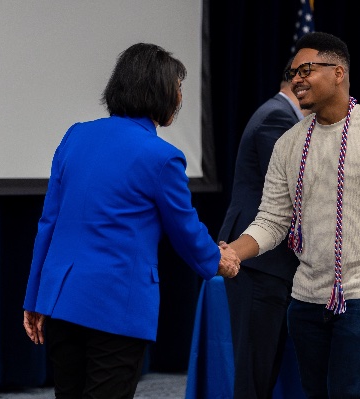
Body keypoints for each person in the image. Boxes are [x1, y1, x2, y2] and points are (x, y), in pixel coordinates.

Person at [22, 42, 240, 399]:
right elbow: (185, 229)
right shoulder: (162, 156)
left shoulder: (76, 135)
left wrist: (34, 299)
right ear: (159, 91)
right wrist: (219, 261)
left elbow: (48, 224)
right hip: (115, 305)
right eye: (178, 88)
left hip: (61, 301)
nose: (181, 98)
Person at [225, 32, 360, 399]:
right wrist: (232, 253)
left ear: (338, 72)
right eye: (292, 73)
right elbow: (272, 220)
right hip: (305, 301)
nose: (296, 80)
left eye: (306, 69)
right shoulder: (289, 143)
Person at [218, 58, 311, 399]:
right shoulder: (277, 117)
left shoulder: (281, 115)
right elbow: (295, 190)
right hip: (259, 261)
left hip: (268, 263)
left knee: (264, 367)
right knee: (255, 373)